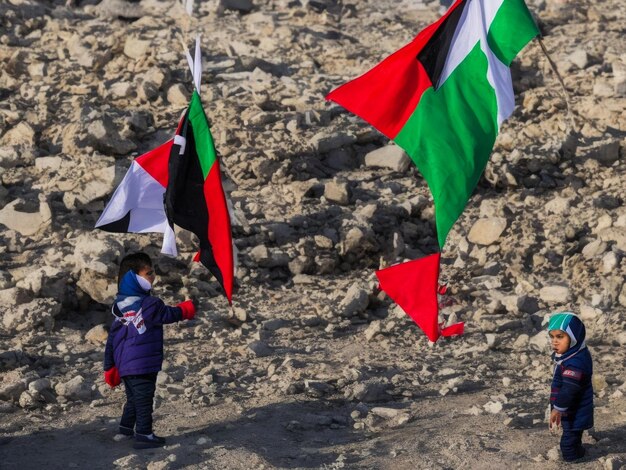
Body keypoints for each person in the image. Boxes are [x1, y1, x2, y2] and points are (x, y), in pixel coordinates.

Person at [103, 252, 196, 449]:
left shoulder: (119, 306)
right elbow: (169, 314)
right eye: (149, 273)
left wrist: (109, 366)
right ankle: (144, 434)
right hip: (143, 365)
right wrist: (187, 308)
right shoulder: (150, 304)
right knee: (144, 399)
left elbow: (112, 339)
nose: (154, 276)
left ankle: (126, 428)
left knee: (133, 399)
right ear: (132, 277)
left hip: (125, 366)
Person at [548, 312, 594, 462]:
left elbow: (569, 388)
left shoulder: (577, 362)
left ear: (574, 337)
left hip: (575, 409)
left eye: (560, 337)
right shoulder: (571, 355)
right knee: (573, 433)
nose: (554, 341)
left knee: (568, 440)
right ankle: (577, 449)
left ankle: (572, 457)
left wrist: (558, 408)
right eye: (552, 336)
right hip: (569, 407)